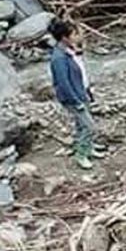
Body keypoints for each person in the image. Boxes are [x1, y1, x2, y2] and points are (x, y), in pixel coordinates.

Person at [49, 20, 104, 170]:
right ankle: (81, 155)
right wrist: (75, 100)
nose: (76, 36)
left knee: (81, 125)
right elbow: (63, 82)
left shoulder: (69, 51)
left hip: (81, 92)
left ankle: (88, 148)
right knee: (89, 126)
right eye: (73, 34)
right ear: (64, 37)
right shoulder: (59, 58)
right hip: (73, 97)